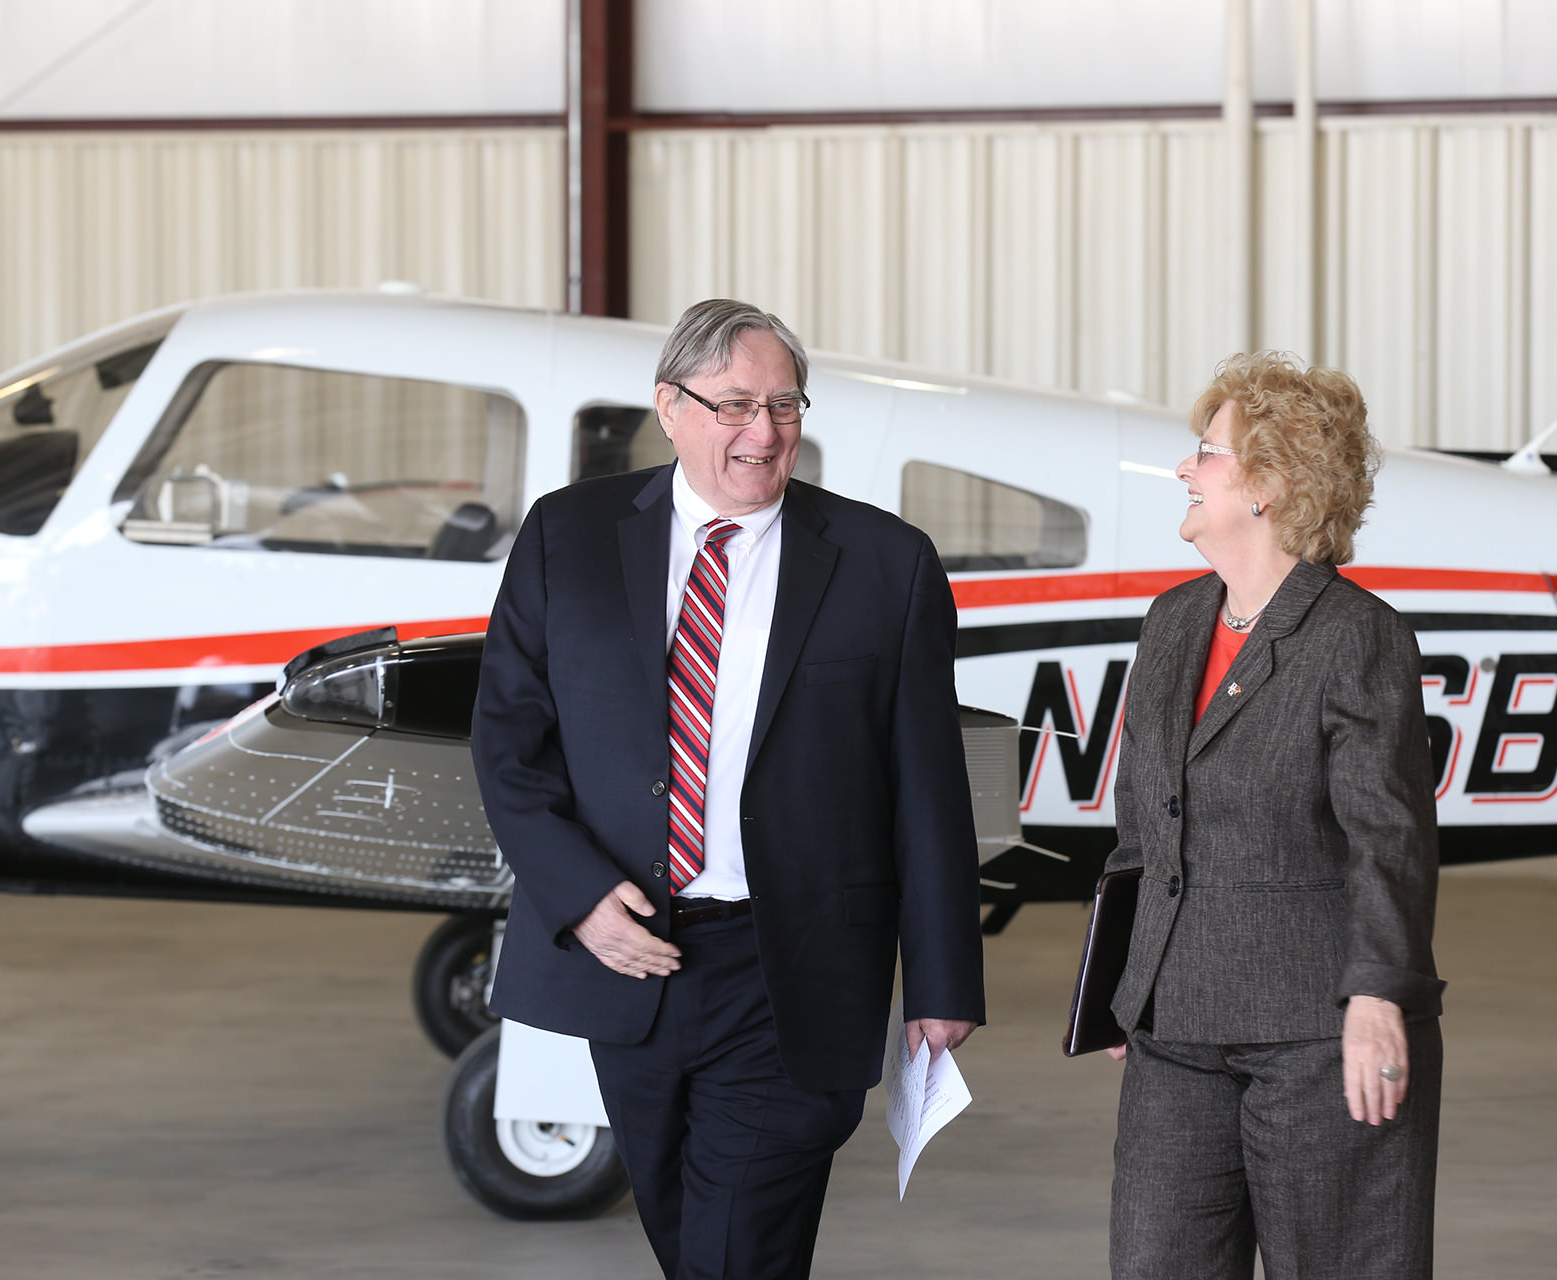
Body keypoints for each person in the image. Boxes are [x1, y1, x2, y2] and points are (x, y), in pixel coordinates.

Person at [470, 298, 986, 1279]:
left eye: (785, 405)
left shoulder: (886, 565)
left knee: (736, 1246)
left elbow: (928, 789)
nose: (766, 431)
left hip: (794, 966)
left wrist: (942, 979)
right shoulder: (566, 537)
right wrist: (580, 898)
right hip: (632, 959)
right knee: (688, 1237)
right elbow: (509, 745)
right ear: (669, 406)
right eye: (737, 404)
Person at [1101, 353, 1445, 1279]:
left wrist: (1379, 998)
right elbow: (1143, 826)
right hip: (1175, 1029)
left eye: (1207, 453)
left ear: (1271, 484)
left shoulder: (1358, 636)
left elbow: (1389, 839)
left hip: (1318, 1032)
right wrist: (1125, 983)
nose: (1185, 468)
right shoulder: (1172, 621)